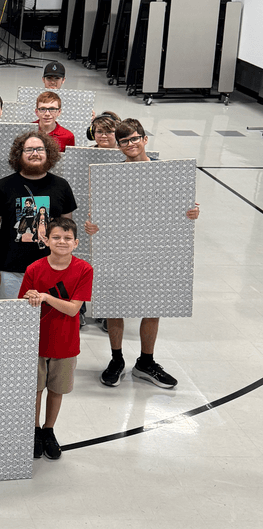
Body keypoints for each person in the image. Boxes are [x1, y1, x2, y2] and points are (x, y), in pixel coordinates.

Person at [84, 118, 200, 389]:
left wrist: (192, 213)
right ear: (119, 146)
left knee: (153, 304)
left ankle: (146, 362)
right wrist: (93, 226)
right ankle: (116, 359)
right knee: (115, 304)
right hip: (119, 247)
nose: (130, 144)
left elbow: (182, 208)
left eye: (134, 139)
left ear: (145, 139)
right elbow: (99, 215)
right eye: (124, 141)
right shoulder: (110, 176)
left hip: (155, 247)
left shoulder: (167, 174)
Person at [19, 217, 93, 460]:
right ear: (46, 240)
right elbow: (21, 306)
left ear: (76, 243)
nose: (62, 242)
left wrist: (45, 297)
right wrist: (30, 297)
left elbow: (73, 309)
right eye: (57, 237)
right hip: (36, 342)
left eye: (67, 238)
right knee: (35, 389)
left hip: (65, 341)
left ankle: (49, 429)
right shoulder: (34, 269)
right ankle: (34, 430)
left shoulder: (84, 270)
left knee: (56, 389)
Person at [0, 131, 76, 300]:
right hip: (10, 270)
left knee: (48, 321)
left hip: (52, 268)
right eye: (29, 150)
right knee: (11, 321)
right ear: (19, 154)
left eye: (39, 149)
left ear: (48, 153)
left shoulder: (62, 186)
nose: (35, 154)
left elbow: (68, 229)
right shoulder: (3, 186)